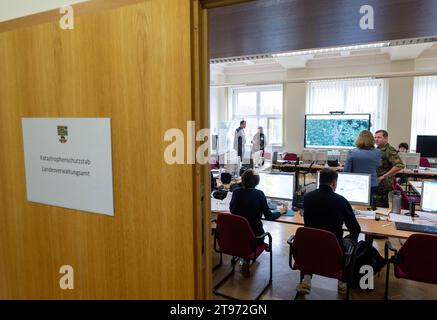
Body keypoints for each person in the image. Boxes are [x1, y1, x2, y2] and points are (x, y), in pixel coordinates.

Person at [296, 168, 361, 295]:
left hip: (309, 250)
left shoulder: (308, 198)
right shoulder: (341, 200)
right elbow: (355, 228)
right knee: (352, 239)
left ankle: (307, 279)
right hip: (334, 252)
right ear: (334, 183)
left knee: (314, 237)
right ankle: (342, 281)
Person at [229, 169, 281, 276]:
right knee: (253, 230)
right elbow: (269, 216)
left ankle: (244, 259)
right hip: (255, 239)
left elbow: (232, 210)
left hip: (236, 237)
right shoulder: (259, 194)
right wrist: (280, 212)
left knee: (245, 232)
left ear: (242, 180)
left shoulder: (236, 192)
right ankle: (245, 259)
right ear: (257, 181)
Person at [344, 130, 381, 203]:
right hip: (372, 183)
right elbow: (377, 165)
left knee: (356, 205)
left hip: (355, 184)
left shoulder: (352, 152)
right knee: (370, 206)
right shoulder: (378, 152)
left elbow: (346, 170)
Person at [374, 130, 405, 208]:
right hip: (375, 181)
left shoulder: (390, 150)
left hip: (383, 183)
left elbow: (399, 165)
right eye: (375, 137)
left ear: (386, 138)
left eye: (379, 137)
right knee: (373, 204)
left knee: (380, 207)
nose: (376, 139)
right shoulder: (376, 150)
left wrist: (384, 176)